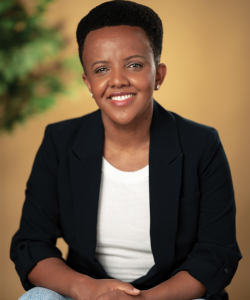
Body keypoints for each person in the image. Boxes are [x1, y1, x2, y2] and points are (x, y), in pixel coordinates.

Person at [10, 1, 242, 300]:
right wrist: (87, 289)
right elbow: (31, 243)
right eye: (102, 69)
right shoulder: (60, 141)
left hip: (171, 295)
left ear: (158, 75)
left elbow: (216, 252)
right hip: (86, 292)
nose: (117, 80)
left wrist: (143, 299)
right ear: (89, 83)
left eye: (134, 65)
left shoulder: (202, 144)